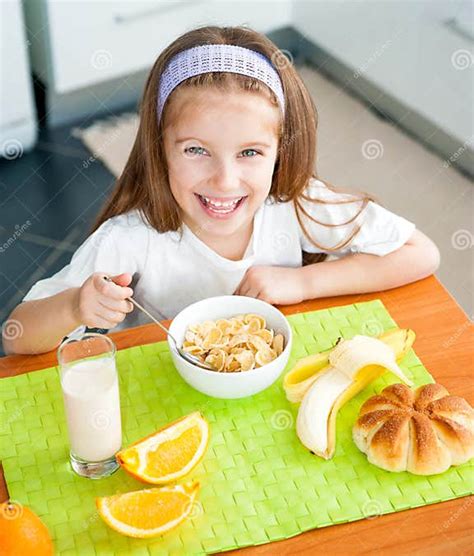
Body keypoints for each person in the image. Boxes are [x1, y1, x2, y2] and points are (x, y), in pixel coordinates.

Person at [3, 25, 440, 355]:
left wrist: (302, 283)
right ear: (160, 149)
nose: (224, 181)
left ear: (280, 151)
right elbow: (15, 336)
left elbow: (421, 253)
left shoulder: (293, 203)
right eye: (196, 150)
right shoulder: (132, 237)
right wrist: (77, 308)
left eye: (250, 152)